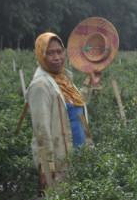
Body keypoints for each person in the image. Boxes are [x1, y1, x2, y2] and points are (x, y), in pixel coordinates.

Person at [27, 32, 102, 188]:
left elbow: (76, 104)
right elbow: (41, 129)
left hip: (79, 158)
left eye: (59, 51)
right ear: (41, 55)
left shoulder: (63, 80)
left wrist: (91, 84)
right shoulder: (41, 85)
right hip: (61, 166)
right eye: (50, 53)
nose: (57, 57)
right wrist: (47, 167)